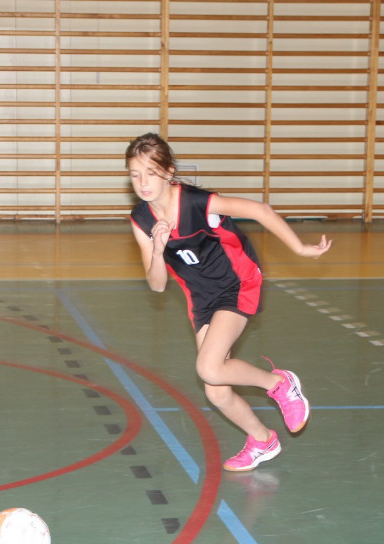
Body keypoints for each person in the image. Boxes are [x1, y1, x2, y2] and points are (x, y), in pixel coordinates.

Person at [125, 132, 332, 472]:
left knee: (208, 367)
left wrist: (299, 248)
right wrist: (158, 250)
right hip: (201, 297)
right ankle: (263, 440)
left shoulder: (197, 203)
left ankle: (280, 384)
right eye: (135, 175)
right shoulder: (141, 219)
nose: (143, 183)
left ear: (169, 172)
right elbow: (158, 286)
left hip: (237, 282)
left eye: (151, 173)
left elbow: (259, 210)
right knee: (217, 391)